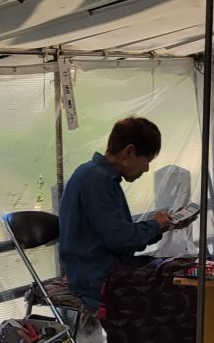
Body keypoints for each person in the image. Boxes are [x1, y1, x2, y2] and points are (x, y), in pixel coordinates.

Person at [58, 117, 172, 310]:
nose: (146, 169)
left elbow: (121, 235)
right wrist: (154, 225)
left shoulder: (101, 177)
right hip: (95, 278)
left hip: (100, 269)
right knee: (175, 287)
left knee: (176, 269)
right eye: (147, 160)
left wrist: (160, 227)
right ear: (130, 151)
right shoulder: (93, 180)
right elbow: (120, 240)